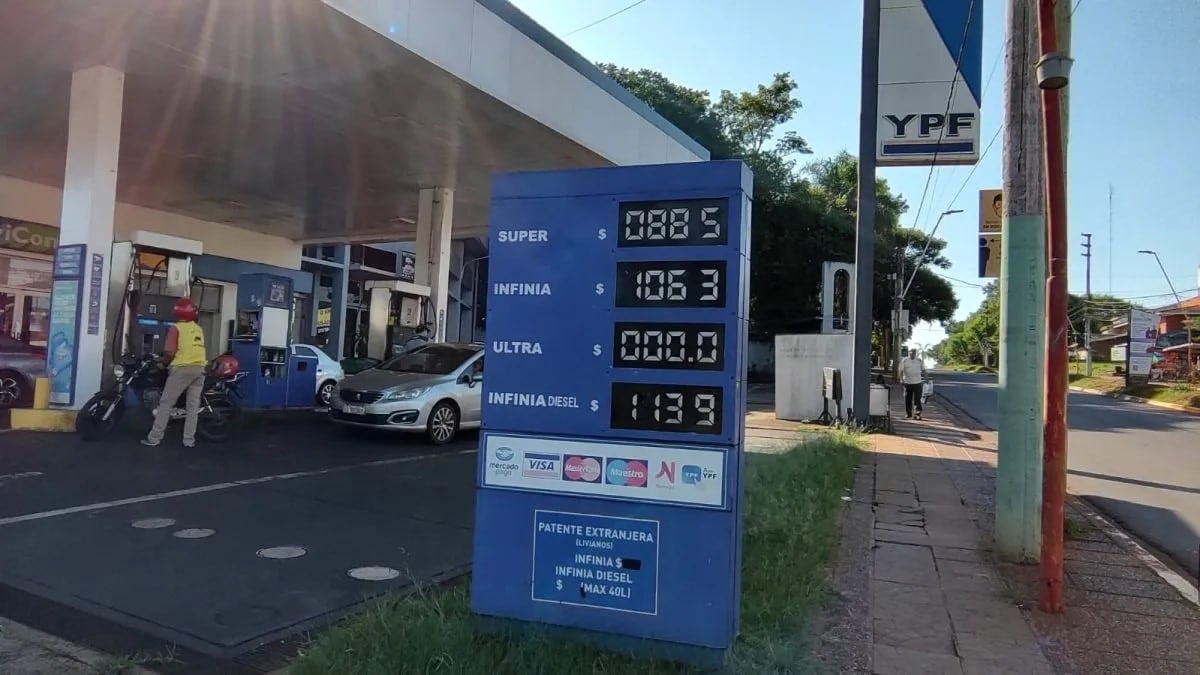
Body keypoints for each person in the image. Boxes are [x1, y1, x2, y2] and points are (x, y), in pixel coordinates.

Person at [142, 298, 208, 448]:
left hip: (182, 369)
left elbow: (170, 352)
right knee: (192, 407)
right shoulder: (198, 329)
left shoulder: (176, 328)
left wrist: (161, 363)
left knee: (165, 404)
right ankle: (189, 441)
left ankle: (154, 438)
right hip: (199, 370)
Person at [899, 349, 927, 420]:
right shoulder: (904, 360)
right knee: (908, 399)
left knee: (917, 399)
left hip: (917, 382)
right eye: (910, 354)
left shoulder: (919, 361)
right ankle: (908, 414)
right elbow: (901, 371)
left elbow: (923, 370)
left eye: (913, 354)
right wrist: (901, 379)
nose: (912, 355)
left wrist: (926, 378)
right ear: (909, 353)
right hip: (907, 383)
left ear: (915, 354)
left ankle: (917, 414)